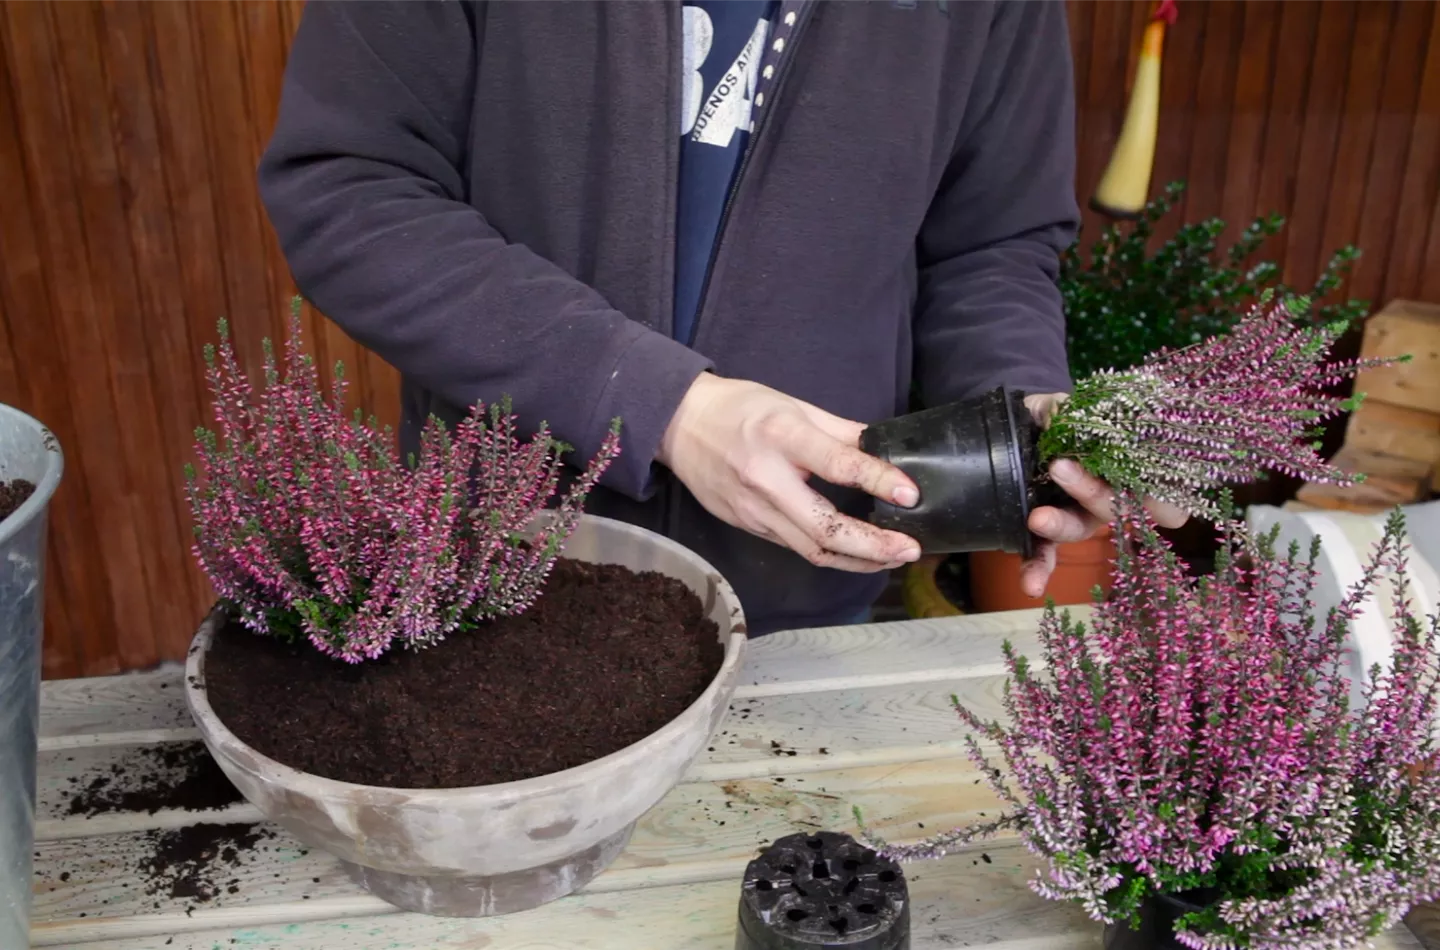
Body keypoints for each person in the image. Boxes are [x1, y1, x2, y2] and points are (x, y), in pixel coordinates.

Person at [258, 0, 1186, 636]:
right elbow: (351, 188)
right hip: (512, 561)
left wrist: (1015, 427)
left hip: (806, 576)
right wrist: (664, 406)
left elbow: (989, 246)